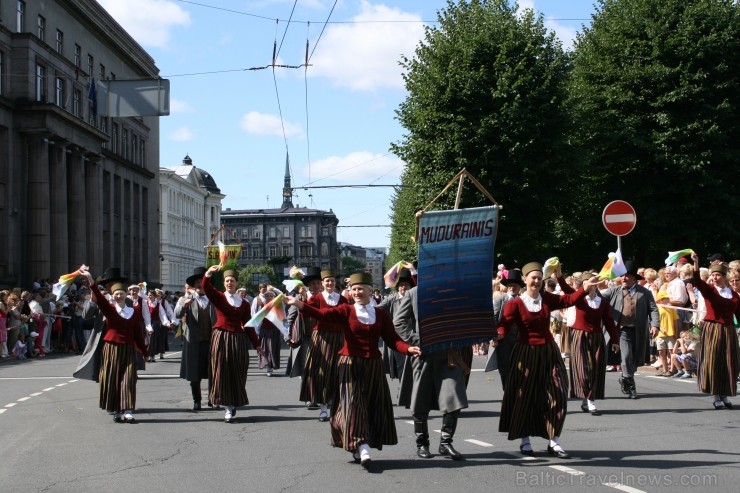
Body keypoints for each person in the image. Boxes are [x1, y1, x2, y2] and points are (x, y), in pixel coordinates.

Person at [286, 272, 421, 469]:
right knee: (352, 404)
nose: (357, 292)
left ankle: (361, 444)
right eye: (354, 289)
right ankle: (361, 445)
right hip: (349, 365)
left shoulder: (381, 314)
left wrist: (408, 349)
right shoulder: (345, 310)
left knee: (371, 406)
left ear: (369, 290)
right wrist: (299, 304)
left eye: (361, 289)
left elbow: (393, 340)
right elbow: (322, 315)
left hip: (373, 366)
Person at [495, 262, 598, 459]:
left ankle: (554, 441)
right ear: (525, 280)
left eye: (539, 278)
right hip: (525, 352)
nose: (536, 281)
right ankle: (525, 440)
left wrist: (584, 289)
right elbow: (504, 324)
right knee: (525, 396)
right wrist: (499, 334)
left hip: (549, 351)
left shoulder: (547, 299)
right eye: (532, 278)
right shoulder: (514, 303)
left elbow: (569, 299)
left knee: (558, 392)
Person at [394, 283, 468, 460]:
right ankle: (422, 444)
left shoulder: (453, 290)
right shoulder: (414, 293)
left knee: (454, 395)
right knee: (420, 400)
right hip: (423, 354)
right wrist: (416, 340)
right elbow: (399, 321)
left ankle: (445, 442)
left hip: (448, 354)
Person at [80, 267, 148, 423]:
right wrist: (92, 292)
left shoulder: (131, 308)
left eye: (120, 292)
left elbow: (137, 332)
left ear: (125, 293)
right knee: (111, 377)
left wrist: (144, 351)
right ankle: (115, 408)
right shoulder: (105, 303)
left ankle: (128, 409)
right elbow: (87, 315)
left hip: (128, 346)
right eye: (113, 289)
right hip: (107, 344)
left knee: (129, 378)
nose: (117, 294)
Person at [202, 265, 261, 423]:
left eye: (232, 281)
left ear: (237, 283)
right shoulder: (219, 297)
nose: (229, 283)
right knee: (223, 372)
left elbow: (248, 325)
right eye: (227, 281)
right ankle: (227, 407)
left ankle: (234, 401)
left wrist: (257, 344)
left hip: (238, 340)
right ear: (224, 283)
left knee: (239, 371)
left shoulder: (244, 303)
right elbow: (206, 287)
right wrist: (208, 273)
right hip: (221, 337)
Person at [557, 271, 620, 415]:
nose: (590, 285)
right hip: (580, 337)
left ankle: (588, 401)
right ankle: (589, 400)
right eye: (587, 283)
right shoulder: (578, 298)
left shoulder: (602, 302)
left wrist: (615, 341)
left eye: (592, 283)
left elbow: (609, 322)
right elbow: (566, 290)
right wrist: (560, 275)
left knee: (595, 369)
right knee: (584, 370)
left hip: (597, 338)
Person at [601, 261, 660, 399]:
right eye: (622, 276)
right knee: (626, 356)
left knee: (635, 359)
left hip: (639, 330)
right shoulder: (615, 290)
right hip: (621, 330)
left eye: (626, 276)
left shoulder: (645, 292)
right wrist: (593, 285)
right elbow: (599, 296)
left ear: (634, 278)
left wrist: (655, 325)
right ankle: (631, 384)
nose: (623, 278)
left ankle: (625, 378)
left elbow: (653, 309)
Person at [689, 253, 739, 409]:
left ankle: (724, 394)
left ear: (724, 277)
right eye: (713, 275)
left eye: (718, 275)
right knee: (714, 361)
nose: (715, 277)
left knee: (728, 362)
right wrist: (696, 263)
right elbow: (697, 281)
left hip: (729, 330)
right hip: (713, 329)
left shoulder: (734, 295)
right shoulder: (710, 290)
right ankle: (716, 395)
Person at [300, 269, 348, 421]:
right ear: (322, 283)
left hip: (339, 338)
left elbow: (347, 319)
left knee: (338, 371)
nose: (330, 283)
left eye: (332, 281)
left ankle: (336, 405)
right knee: (321, 373)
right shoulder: (316, 299)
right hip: (321, 338)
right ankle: (323, 408)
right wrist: (301, 300)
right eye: (327, 281)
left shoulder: (343, 300)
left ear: (335, 283)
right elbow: (305, 314)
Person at [175, 267, 216, 411]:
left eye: (202, 281)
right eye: (197, 282)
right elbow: (177, 314)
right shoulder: (185, 299)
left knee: (213, 372)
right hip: (193, 341)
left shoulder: (214, 298)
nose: (200, 284)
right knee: (194, 374)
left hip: (211, 340)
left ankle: (213, 399)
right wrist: (184, 307)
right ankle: (197, 400)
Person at [488, 268, 524, 388]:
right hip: (503, 339)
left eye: (515, 285)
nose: (512, 287)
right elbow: (493, 317)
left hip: (520, 339)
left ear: (519, 287)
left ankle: (518, 393)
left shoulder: (524, 300)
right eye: (510, 285)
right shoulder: (500, 299)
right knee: (504, 367)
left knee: (521, 367)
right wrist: (493, 336)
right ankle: (507, 391)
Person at [378, 267, 415, 381]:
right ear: (397, 287)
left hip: (413, 338)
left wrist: (413, 271)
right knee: (402, 370)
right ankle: (403, 395)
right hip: (397, 339)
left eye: (406, 285)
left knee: (414, 369)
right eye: (401, 285)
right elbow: (377, 310)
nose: (403, 287)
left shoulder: (415, 297)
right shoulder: (390, 299)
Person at [257, 287, 284, 377]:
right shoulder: (262, 306)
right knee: (265, 349)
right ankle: (267, 364)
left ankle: (271, 366)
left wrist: (283, 330)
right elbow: (257, 318)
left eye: (271, 296)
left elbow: (282, 318)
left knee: (272, 349)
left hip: (274, 330)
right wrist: (256, 330)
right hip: (264, 330)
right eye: (267, 296)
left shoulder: (278, 306)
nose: (269, 297)